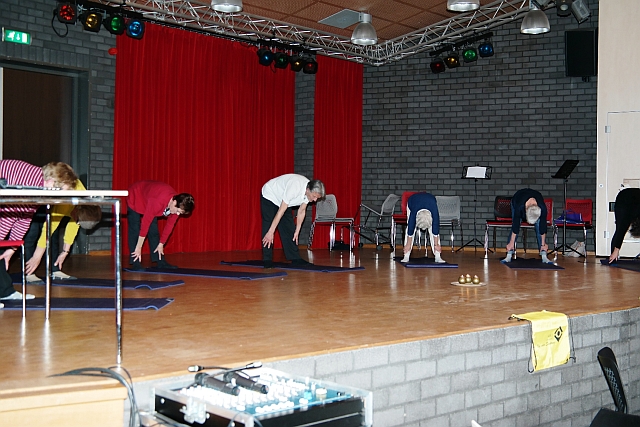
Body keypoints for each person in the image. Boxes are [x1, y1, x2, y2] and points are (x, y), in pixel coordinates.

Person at [0, 160, 78, 304]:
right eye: (61, 192)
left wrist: (11, 248)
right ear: (51, 182)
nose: (59, 198)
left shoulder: (38, 188)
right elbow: (9, 213)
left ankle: (5, 291)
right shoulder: (30, 183)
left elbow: (25, 217)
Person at [24, 200, 103, 283]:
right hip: (34, 202)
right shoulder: (65, 205)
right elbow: (48, 228)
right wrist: (37, 257)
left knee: (53, 235)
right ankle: (29, 272)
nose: (77, 223)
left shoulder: (81, 207)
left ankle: (54, 270)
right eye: (77, 220)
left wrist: (65, 251)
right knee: (32, 233)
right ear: (77, 209)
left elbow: (73, 227)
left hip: (51, 205)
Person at [127, 180, 195, 271]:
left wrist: (161, 244)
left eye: (180, 213)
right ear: (174, 202)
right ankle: (135, 262)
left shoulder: (178, 205)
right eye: (178, 211)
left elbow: (169, 226)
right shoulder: (158, 201)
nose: (178, 214)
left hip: (149, 199)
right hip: (136, 195)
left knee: (154, 231)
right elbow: (145, 224)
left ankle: (160, 261)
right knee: (135, 229)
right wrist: (139, 247)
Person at [261, 174, 325, 268]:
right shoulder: (295, 187)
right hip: (270, 195)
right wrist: (271, 232)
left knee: (289, 229)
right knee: (269, 227)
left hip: (284, 200)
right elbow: (280, 211)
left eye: (317, 198)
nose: (315, 200)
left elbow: (302, 211)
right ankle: (267, 259)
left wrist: (297, 231)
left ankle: (295, 258)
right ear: (307, 190)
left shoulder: (309, 191)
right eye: (314, 196)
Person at [502, 188, 551, 264]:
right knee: (516, 223)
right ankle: (509, 252)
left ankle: (543, 252)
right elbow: (515, 226)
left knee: (539, 224)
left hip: (533, 198)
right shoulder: (519, 207)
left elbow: (542, 227)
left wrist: (543, 244)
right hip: (517, 198)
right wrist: (511, 242)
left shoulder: (542, 208)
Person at [400, 192, 445, 263]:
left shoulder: (434, 213)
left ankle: (438, 256)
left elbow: (435, 231)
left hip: (430, 201)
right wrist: (408, 244)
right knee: (410, 228)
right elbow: (410, 231)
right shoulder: (414, 214)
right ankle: (406, 255)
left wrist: (437, 245)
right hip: (413, 201)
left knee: (433, 229)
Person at [608, 188, 640, 263]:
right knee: (620, 228)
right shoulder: (633, 211)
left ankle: (614, 255)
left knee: (620, 228)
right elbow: (622, 228)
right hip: (624, 200)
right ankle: (613, 257)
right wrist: (616, 250)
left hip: (631, 199)